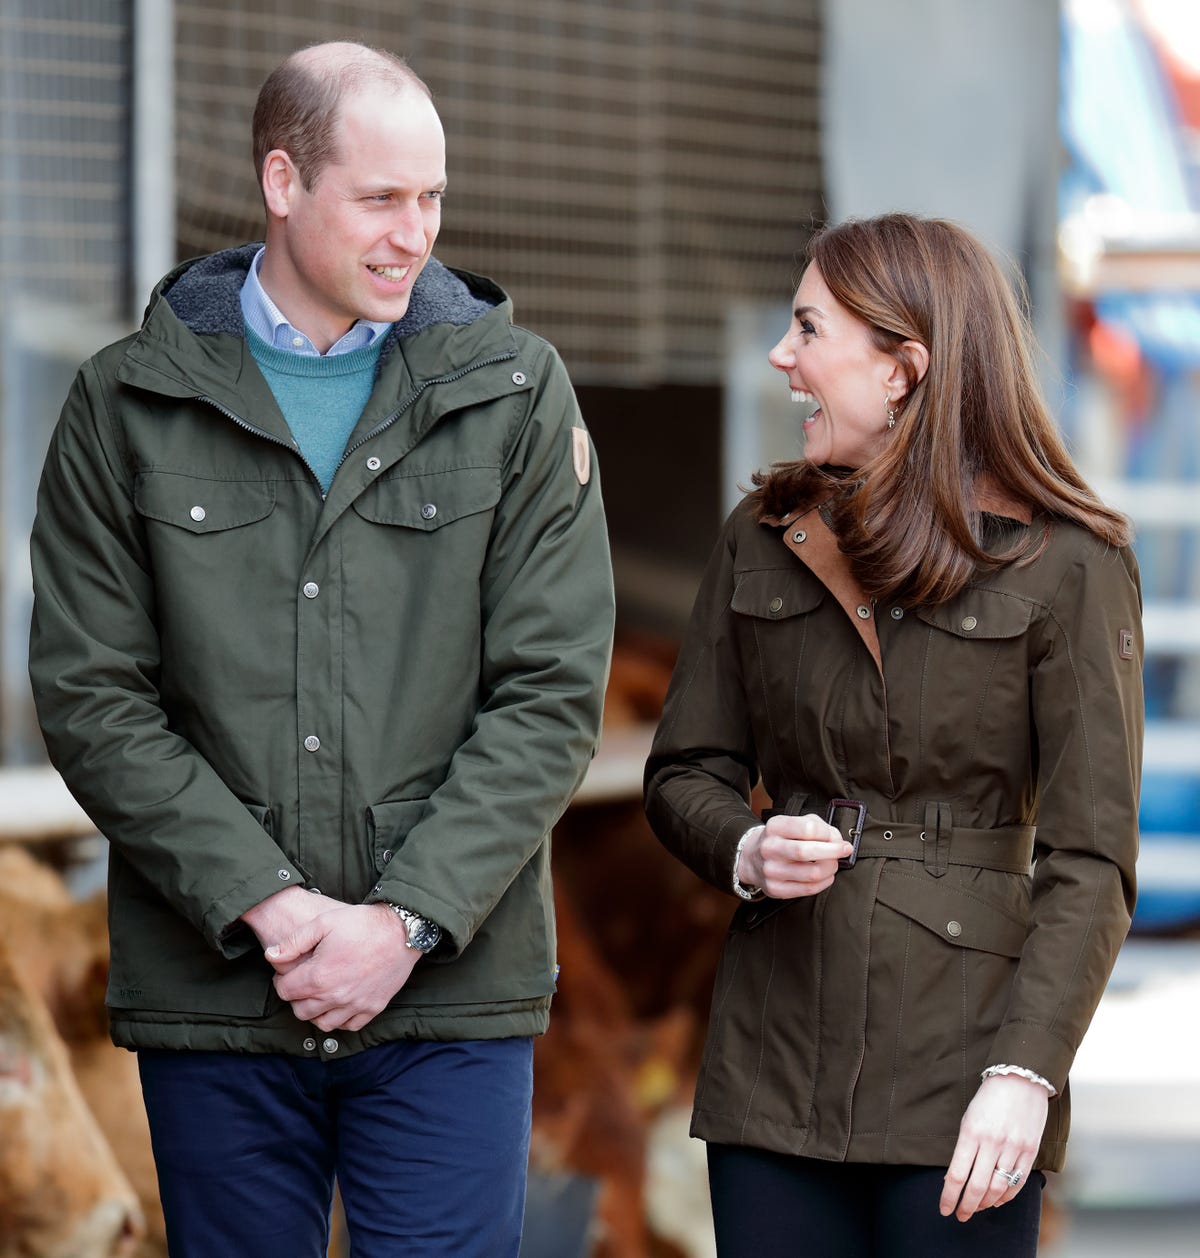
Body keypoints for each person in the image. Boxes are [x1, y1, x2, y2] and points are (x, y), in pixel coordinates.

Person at [29, 42, 613, 1258]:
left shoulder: (516, 391)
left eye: (433, 198)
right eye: (382, 199)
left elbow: (551, 694)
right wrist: (270, 906)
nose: (416, 233)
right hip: (219, 995)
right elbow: (92, 694)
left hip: (449, 997)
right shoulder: (128, 401)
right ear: (284, 182)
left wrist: (399, 922)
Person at [644, 212, 1142, 1257]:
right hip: (773, 1058)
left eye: (810, 329)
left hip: (967, 1070)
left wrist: (1026, 1072)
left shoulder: (1068, 564)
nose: (783, 356)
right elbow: (687, 768)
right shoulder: (762, 539)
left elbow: (1091, 858)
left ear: (905, 368)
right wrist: (744, 844)